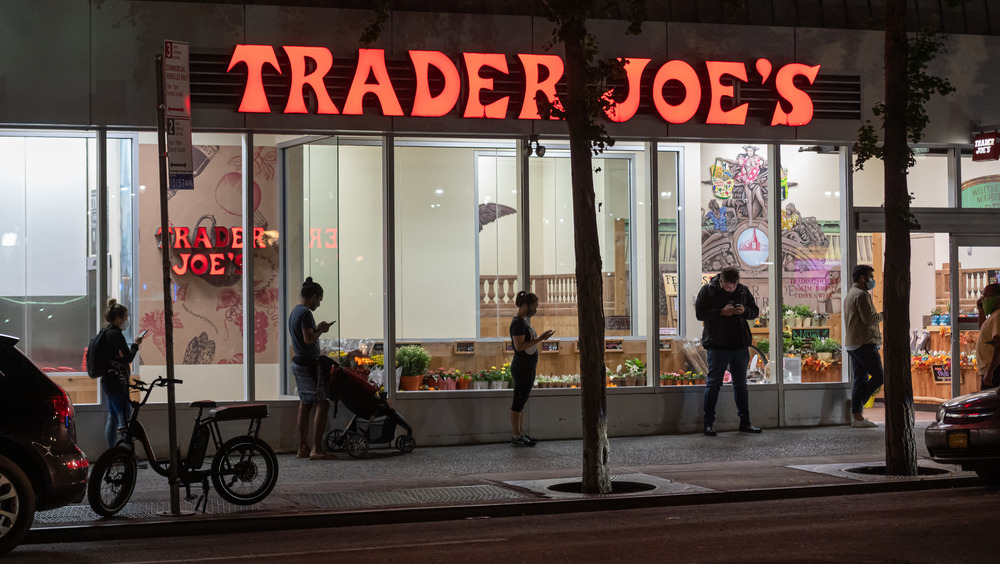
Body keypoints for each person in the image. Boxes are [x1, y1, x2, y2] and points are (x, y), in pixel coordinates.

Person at [695, 266, 762, 436]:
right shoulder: (708, 290)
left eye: (733, 286)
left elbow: (754, 311)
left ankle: (745, 422)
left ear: (737, 282)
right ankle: (708, 423)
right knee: (714, 383)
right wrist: (720, 312)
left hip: (739, 344)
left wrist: (744, 311)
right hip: (717, 344)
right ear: (721, 280)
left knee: (741, 384)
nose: (730, 289)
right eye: (727, 285)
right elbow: (700, 313)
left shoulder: (743, 291)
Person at [288, 277, 334, 460]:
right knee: (323, 404)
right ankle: (316, 449)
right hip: (308, 364)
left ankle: (303, 448)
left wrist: (317, 329)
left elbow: (305, 336)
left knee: (305, 405)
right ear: (314, 296)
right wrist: (321, 330)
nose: (319, 304)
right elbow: (308, 340)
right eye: (319, 300)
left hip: (298, 362)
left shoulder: (295, 312)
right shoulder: (306, 313)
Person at [509, 291, 555, 447]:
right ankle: (516, 435)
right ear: (525, 305)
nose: (535, 310)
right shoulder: (517, 323)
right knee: (518, 401)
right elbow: (520, 346)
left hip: (528, 367)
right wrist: (540, 338)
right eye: (534, 307)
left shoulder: (523, 321)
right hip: (521, 367)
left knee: (522, 401)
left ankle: (521, 433)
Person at [96, 299, 143, 450]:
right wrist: (136, 344)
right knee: (124, 420)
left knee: (113, 417)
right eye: (125, 317)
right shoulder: (116, 335)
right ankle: (127, 454)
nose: (126, 321)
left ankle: (111, 452)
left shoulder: (104, 333)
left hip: (107, 382)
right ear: (118, 319)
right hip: (117, 383)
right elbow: (128, 358)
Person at [843, 265, 884, 428]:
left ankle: (857, 416)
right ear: (862, 278)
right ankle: (858, 406)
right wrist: (884, 314)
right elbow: (870, 319)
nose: (872, 280)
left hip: (853, 343)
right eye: (870, 277)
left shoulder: (850, 294)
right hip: (864, 343)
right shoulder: (861, 295)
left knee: (860, 379)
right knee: (879, 376)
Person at [975, 283, 1000, 389]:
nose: (983, 299)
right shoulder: (993, 316)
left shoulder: (998, 316)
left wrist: (990, 372)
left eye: (986, 296)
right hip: (988, 370)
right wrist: (981, 310)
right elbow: (982, 329)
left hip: (994, 370)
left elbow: (998, 345)